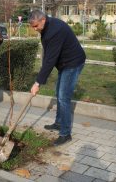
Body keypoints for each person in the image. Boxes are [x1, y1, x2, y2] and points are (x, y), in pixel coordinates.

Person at [29, 10, 86, 146]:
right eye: (32, 26)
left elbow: (50, 60)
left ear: (43, 20)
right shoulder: (47, 27)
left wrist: (37, 83)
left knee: (63, 97)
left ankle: (65, 134)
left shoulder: (55, 30)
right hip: (64, 63)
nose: (34, 29)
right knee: (59, 93)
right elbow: (48, 55)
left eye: (36, 26)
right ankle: (59, 123)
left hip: (73, 63)